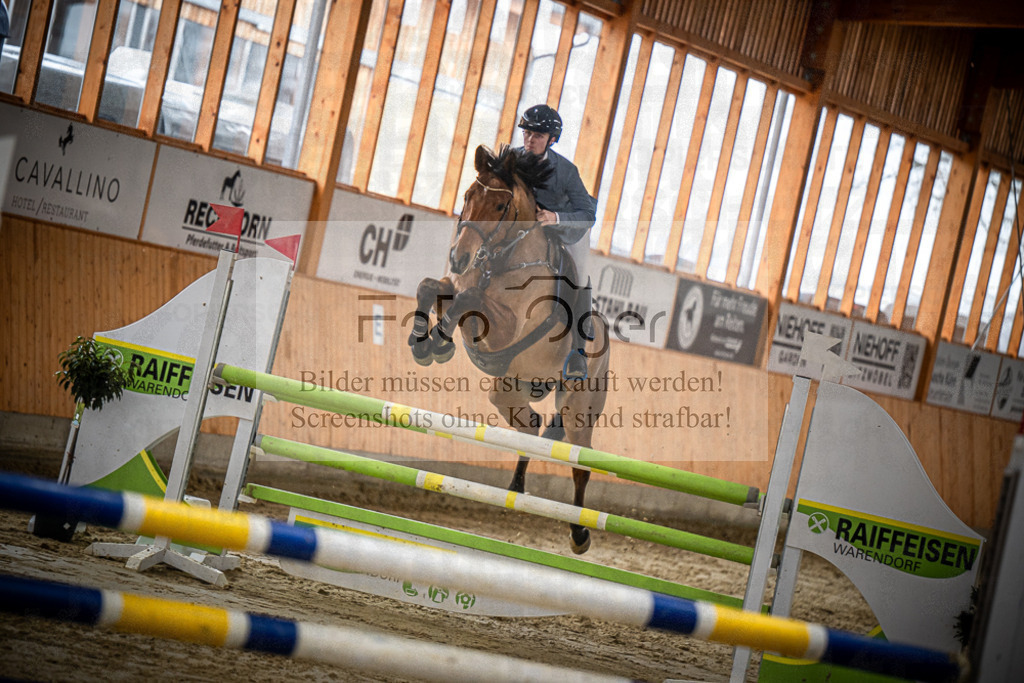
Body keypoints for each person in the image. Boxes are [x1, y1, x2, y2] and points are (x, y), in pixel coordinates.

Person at [517, 104, 597, 379]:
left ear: (552, 139)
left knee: (581, 277)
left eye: (537, 136)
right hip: (525, 228)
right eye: (527, 133)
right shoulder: (512, 159)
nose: (529, 140)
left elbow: (587, 214)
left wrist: (557, 217)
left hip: (567, 231)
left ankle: (578, 352)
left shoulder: (566, 171)